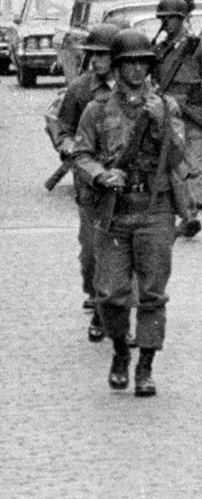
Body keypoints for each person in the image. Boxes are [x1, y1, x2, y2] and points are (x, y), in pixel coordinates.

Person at [70, 29, 188, 398]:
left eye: (143, 62)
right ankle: (121, 349)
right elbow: (81, 154)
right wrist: (101, 175)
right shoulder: (97, 109)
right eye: (129, 63)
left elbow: (178, 157)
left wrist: (161, 123)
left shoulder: (166, 106)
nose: (137, 69)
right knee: (110, 294)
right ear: (118, 67)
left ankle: (145, 365)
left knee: (152, 293)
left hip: (155, 207)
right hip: (115, 210)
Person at [51, 22, 121, 341]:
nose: (96, 61)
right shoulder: (80, 89)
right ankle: (94, 293)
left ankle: (114, 310)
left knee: (122, 250)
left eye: (103, 55)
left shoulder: (135, 88)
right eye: (93, 55)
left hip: (124, 182)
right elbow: (62, 127)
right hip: (90, 183)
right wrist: (67, 145)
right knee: (92, 249)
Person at [153, 0, 202, 239]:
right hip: (170, 115)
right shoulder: (159, 50)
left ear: (182, 19)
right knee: (176, 167)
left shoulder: (198, 47)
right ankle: (186, 213)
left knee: (194, 165)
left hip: (195, 114)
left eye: (171, 18)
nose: (166, 23)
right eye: (163, 18)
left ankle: (192, 213)